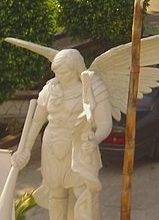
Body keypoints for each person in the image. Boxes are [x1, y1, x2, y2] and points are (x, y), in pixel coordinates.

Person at [11, 49, 111, 220]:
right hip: (51, 146)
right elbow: (36, 121)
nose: (58, 76)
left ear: (75, 69)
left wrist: (95, 139)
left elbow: (105, 124)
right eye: (55, 72)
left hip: (79, 146)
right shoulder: (49, 90)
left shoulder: (93, 88)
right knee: (56, 193)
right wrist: (25, 149)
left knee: (82, 193)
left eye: (62, 72)